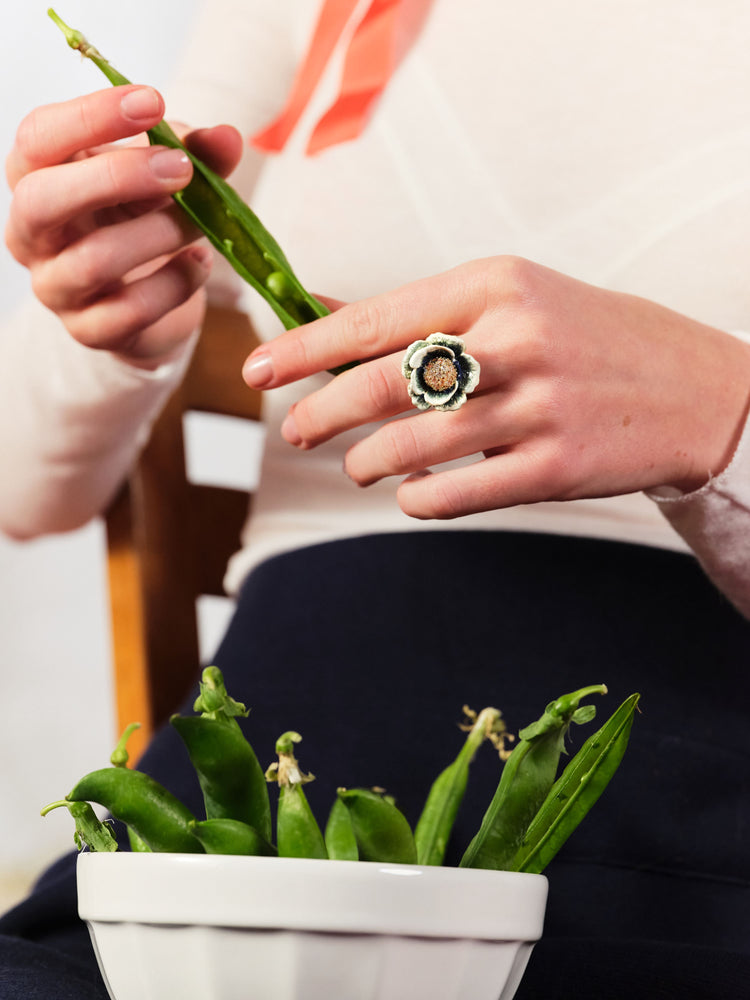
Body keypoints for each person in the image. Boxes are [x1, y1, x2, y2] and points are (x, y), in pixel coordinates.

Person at [1, 1, 749, 997]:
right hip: (270, 806)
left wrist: (719, 414)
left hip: (689, 831)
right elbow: (24, 484)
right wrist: (113, 328)